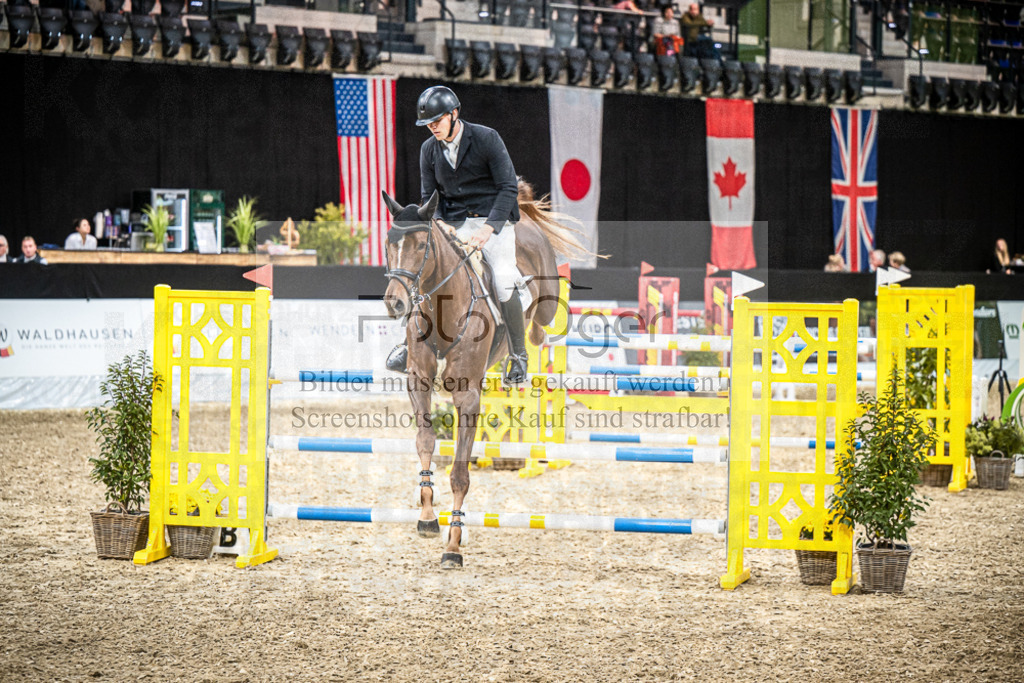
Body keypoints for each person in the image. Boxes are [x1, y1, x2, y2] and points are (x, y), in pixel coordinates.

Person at [386, 85, 530, 384]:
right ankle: (407, 343)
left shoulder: (486, 138)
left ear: (454, 114)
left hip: (495, 222)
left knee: (503, 278)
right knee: (425, 271)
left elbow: (508, 188)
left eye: (436, 120)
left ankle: (518, 355)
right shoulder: (429, 149)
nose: (432, 127)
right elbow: (429, 196)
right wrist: (440, 222)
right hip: (453, 223)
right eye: (428, 123)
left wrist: (489, 228)